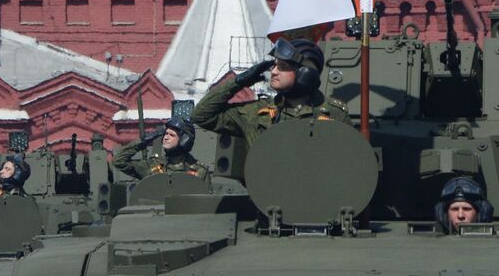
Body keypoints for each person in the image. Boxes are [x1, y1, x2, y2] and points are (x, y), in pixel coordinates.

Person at [191, 37, 348, 146]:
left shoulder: (333, 114)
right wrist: (239, 82)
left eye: (283, 67)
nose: (273, 72)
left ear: (305, 75)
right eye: (274, 65)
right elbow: (201, 116)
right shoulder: (257, 113)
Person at [112, 117, 204, 179]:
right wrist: (144, 141)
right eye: (166, 134)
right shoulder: (153, 166)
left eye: (171, 135)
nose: (166, 137)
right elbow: (118, 161)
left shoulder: (199, 171)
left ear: (184, 140)